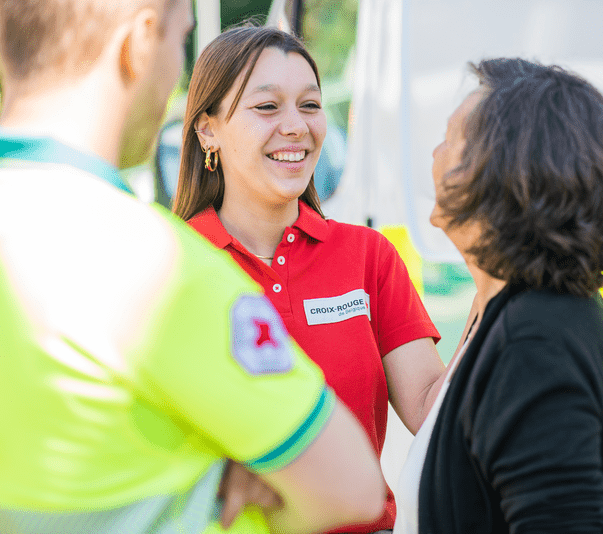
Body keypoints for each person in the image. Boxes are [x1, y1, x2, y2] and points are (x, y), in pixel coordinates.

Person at [0, 1, 386, 533]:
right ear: (140, 42)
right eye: (181, 41)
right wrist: (225, 483)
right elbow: (353, 491)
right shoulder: (156, 268)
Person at [173, 25, 446, 534]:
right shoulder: (172, 264)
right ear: (208, 131)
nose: (296, 126)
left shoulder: (368, 256)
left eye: (310, 105)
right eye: (267, 107)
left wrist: (496, 282)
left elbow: (433, 410)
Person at [393, 58, 603, 533]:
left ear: (499, 173)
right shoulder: (517, 308)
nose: (435, 152)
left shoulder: (533, 340)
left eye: (451, 138)